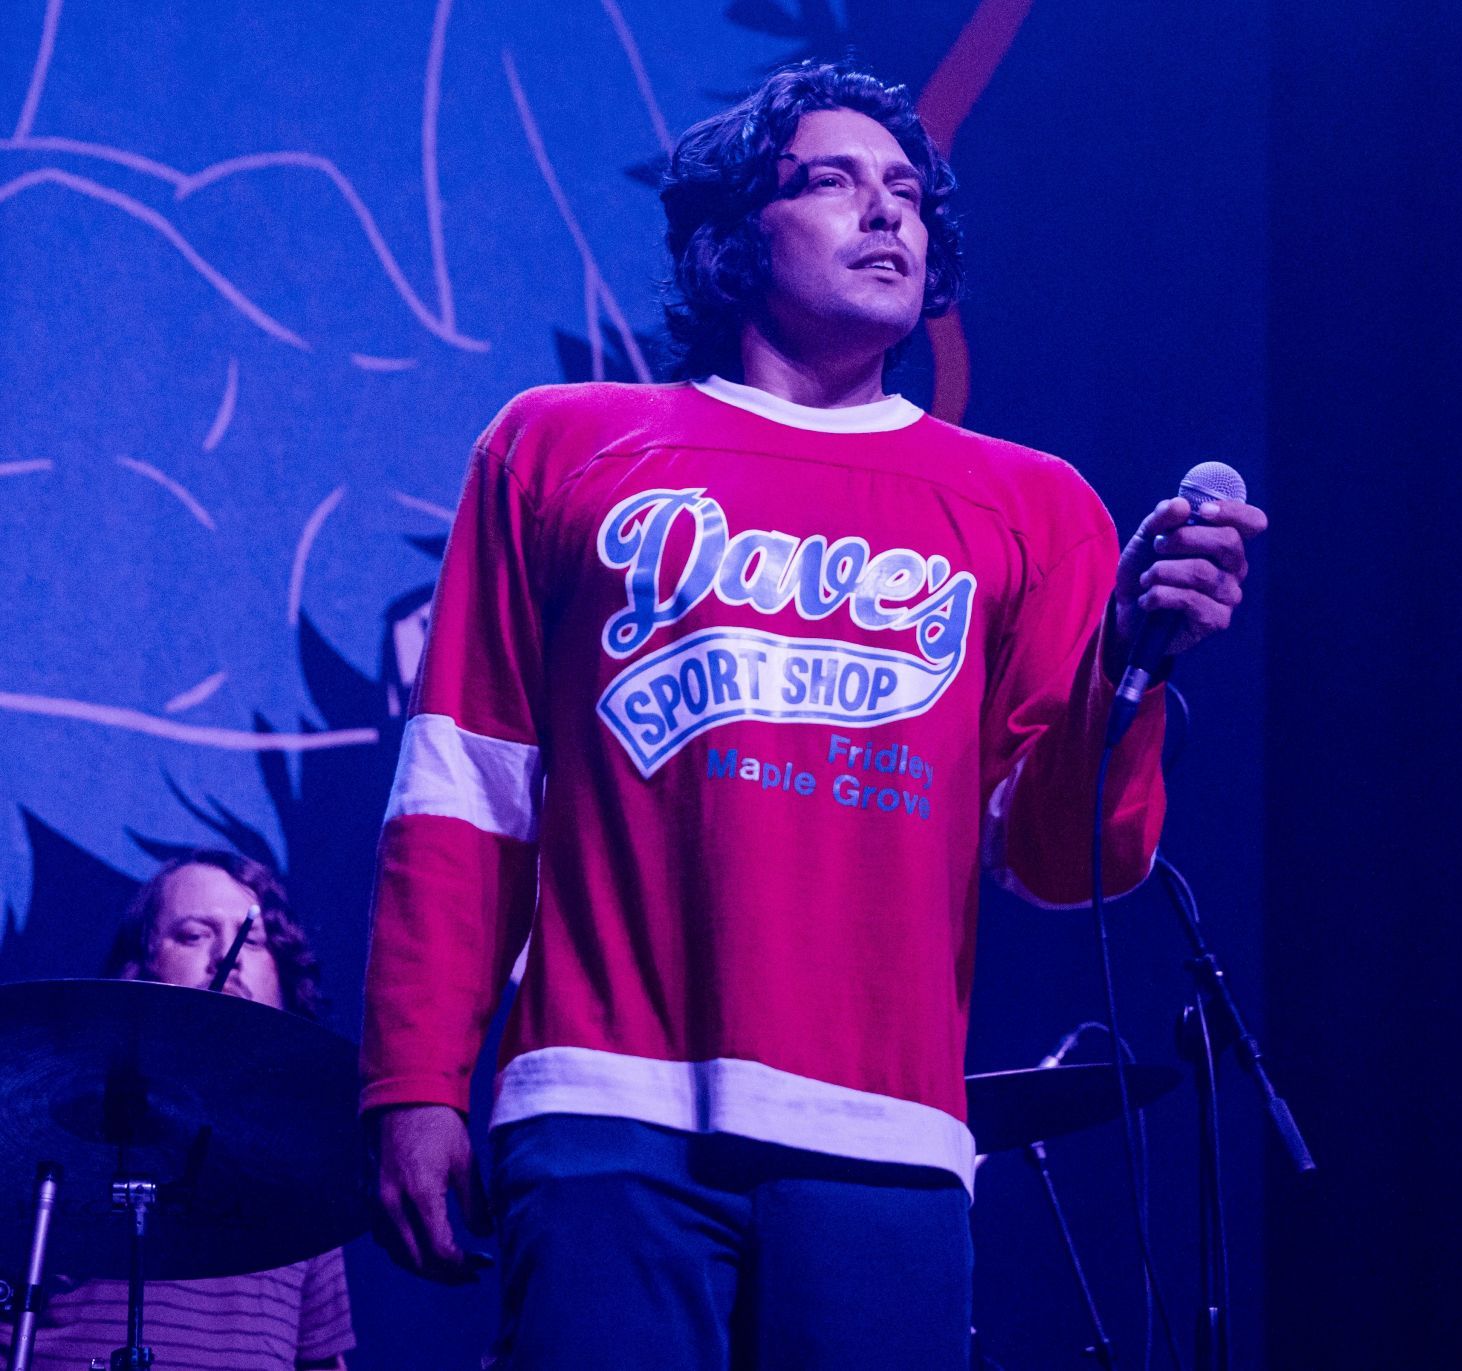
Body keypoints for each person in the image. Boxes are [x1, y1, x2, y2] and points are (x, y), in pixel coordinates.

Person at [363, 62, 1264, 1369]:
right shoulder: (560, 446)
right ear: (736, 235)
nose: (886, 212)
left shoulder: (1032, 504)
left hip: (884, 1143)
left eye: (907, 192)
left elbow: (1068, 856)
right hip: (606, 1114)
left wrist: (1130, 665)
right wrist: (413, 1076)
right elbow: (465, 788)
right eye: (834, 180)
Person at [0, 850, 355, 1371]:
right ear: (137, 970)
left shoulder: (302, 1167)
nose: (225, 956)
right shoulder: (46, 1134)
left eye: (251, 939)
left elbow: (322, 1363)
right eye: (193, 935)